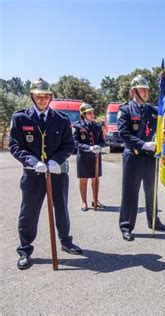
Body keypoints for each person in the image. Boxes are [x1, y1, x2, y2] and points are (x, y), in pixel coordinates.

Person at [9, 78, 82, 270]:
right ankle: (25, 250)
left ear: (51, 97)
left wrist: (55, 160)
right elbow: (15, 145)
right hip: (33, 174)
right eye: (38, 96)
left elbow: (69, 145)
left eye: (46, 96)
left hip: (56, 172)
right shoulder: (20, 118)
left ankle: (66, 242)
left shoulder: (62, 119)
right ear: (32, 97)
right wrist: (33, 162)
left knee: (61, 209)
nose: (42, 99)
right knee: (29, 213)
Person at [117, 75, 165, 241]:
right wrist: (142, 144)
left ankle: (153, 220)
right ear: (134, 91)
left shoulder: (153, 111)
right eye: (142, 90)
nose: (146, 92)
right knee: (130, 193)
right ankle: (126, 226)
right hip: (134, 156)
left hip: (150, 157)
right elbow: (123, 134)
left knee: (151, 191)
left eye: (147, 90)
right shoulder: (125, 110)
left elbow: (162, 125)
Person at [73, 102, 106, 212]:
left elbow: (102, 141)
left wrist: (99, 146)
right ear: (83, 114)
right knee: (83, 180)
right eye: (89, 113)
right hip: (83, 156)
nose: (92, 115)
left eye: (92, 112)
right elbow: (75, 142)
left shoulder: (97, 126)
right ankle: (84, 201)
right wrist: (88, 147)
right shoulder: (77, 126)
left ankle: (95, 200)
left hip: (96, 157)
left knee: (95, 179)